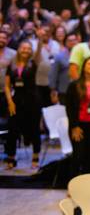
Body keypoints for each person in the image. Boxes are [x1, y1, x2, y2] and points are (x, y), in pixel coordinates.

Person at [4, 40, 43, 169]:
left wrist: (40, 39)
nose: (26, 50)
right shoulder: (12, 65)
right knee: (13, 130)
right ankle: (11, 157)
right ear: (19, 49)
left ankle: (35, 157)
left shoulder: (34, 63)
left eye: (28, 48)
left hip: (33, 101)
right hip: (17, 101)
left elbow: (38, 52)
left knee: (34, 129)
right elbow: (7, 85)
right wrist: (10, 102)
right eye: (23, 48)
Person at [50, 33, 78, 105]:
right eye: (69, 40)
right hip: (64, 91)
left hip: (79, 90)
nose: (72, 42)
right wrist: (53, 91)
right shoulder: (59, 56)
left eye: (74, 40)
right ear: (65, 43)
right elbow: (53, 75)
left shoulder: (82, 56)